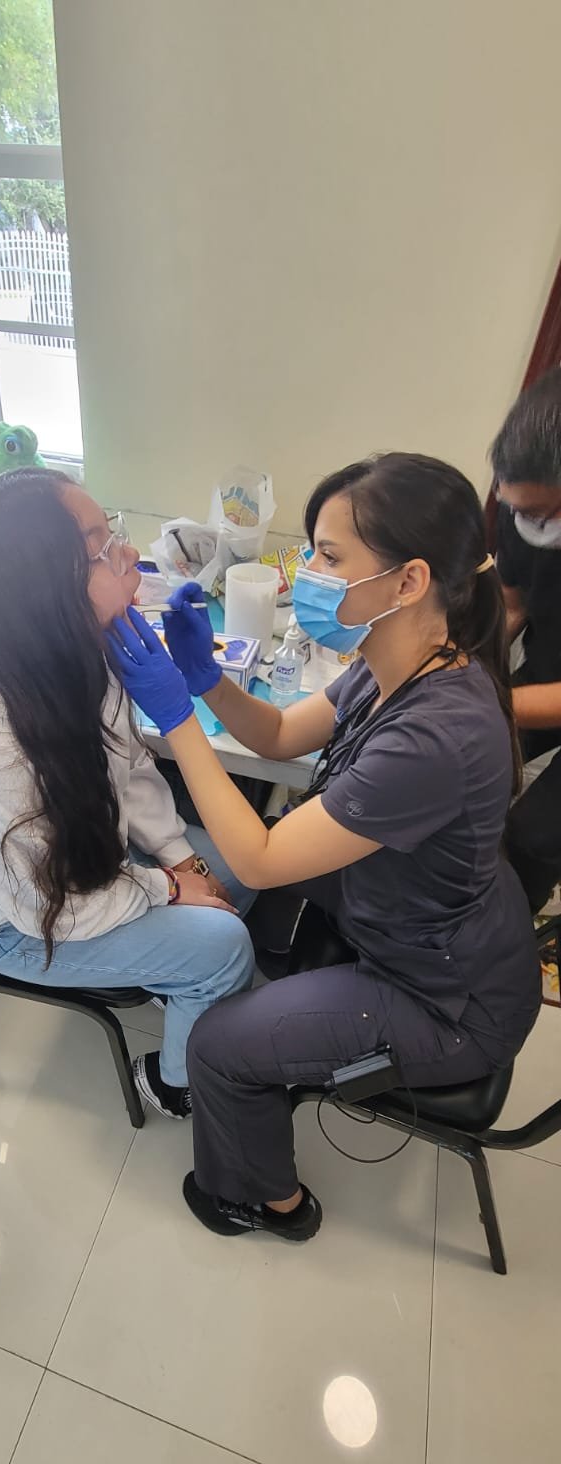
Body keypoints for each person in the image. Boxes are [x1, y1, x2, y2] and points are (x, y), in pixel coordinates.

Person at [108, 453, 542, 1242]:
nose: (304, 573)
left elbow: (260, 859)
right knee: (246, 924)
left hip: (447, 998)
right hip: (429, 931)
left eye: (328, 557)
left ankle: (265, 1201)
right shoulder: (397, 663)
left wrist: (174, 716)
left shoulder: (435, 732)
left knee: (219, 1048)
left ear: (409, 581)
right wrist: (206, 682)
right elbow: (276, 733)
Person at [0, 469, 256, 1119]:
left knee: (243, 869)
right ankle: (174, 1086)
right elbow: (49, 909)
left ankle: (176, 973)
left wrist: (180, 858)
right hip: (22, 922)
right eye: (98, 547)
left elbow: (132, 770)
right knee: (225, 943)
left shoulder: (82, 653)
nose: (126, 555)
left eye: (110, 532)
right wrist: (170, 889)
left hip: (91, 861)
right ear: (40, 591)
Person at [490, 369, 561, 912]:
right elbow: (511, 604)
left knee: (532, 837)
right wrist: (464, 663)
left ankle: (500, 946)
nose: (523, 523)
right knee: (476, 760)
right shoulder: (520, 517)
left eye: (538, 513)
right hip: (548, 667)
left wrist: (482, 701)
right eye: (516, 510)